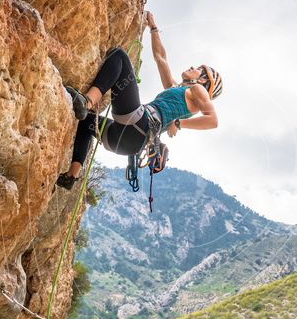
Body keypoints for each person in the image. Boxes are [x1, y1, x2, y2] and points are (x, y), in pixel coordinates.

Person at [56, 10, 223, 189]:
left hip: (138, 124)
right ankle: (71, 176)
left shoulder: (197, 90)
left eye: (198, 68)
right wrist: (153, 28)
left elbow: (213, 120)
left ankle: (86, 101)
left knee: (119, 56)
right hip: (126, 143)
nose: (192, 67)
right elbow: (161, 59)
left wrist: (179, 123)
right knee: (87, 122)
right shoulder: (177, 91)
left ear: (203, 80)